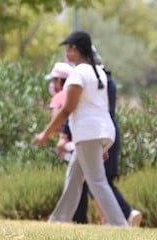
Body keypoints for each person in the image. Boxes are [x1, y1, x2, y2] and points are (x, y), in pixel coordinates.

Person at [33, 31, 128, 226]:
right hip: (101, 131)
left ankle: (119, 224)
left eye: (68, 48)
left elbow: (68, 108)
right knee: (75, 176)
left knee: (97, 181)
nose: (67, 53)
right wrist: (102, 143)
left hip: (88, 133)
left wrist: (46, 133)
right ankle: (59, 220)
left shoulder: (78, 73)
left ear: (76, 49)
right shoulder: (98, 72)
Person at [62, 48, 143, 226]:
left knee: (97, 180)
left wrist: (63, 133)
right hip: (106, 134)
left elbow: (76, 110)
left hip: (93, 135)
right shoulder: (107, 82)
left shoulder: (90, 83)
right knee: (93, 179)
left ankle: (124, 215)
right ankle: (109, 218)